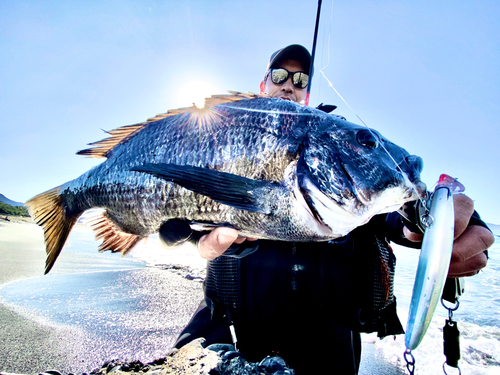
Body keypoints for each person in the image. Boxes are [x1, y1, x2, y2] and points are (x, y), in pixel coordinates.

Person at [159, 45, 494, 374]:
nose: (289, 84)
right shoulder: (221, 138)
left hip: (327, 339)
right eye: (279, 75)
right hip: (232, 324)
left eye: (301, 80)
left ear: (306, 94)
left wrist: (439, 218)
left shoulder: (340, 151)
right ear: (263, 85)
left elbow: (398, 203)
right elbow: (175, 209)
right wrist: (179, 231)